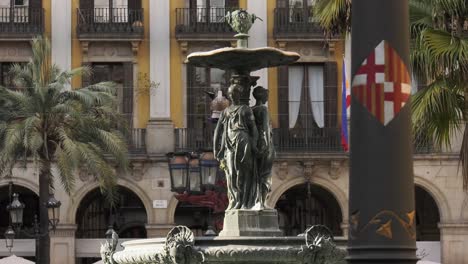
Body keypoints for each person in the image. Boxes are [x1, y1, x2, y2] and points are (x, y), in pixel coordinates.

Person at [214, 84, 258, 210]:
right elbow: (218, 131)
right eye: (231, 93)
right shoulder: (225, 112)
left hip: (243, 141)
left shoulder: (245, 109)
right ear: (229, 96)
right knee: (232, 173)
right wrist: (216, 148)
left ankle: (245, 201)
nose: (233, 95)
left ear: (239, 94)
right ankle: (235, 200)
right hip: (229, 143)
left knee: (244, 172)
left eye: (236, 93)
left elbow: (253, 129)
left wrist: (254, 144)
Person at [251, 86, 275, 210]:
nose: (267, 98)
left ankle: (256, 201)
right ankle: (262, 202)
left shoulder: (251, 109)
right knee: (266, 174)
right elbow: (265, 128)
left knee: (256, 174)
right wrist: (266, 145)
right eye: (266, 95)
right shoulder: (263, 109)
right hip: (264, 144)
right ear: (262, 96)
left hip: (254, 144)